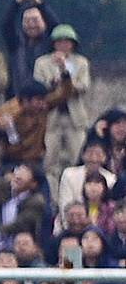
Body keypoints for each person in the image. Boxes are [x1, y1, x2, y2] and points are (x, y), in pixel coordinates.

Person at [34, 24, 92, 184]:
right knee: (50, 163)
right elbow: (37, 88)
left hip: (74, 118)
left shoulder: (81, 62)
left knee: (78, 159)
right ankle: (53, 201)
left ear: (73, 44)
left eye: (67, 42)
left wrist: (67, 80)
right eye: (59, 42)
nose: (63, 45)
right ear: (53, 43)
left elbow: (84, 86)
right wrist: (53, 82)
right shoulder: (42, 63)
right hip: (51, 118)